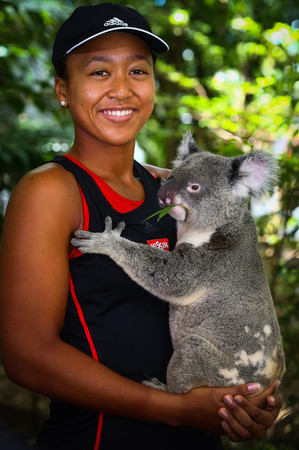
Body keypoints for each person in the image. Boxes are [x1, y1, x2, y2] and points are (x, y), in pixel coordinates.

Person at [0, 3, 282, 449]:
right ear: (62, 89)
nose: (121, 89)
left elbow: (236, 292)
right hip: (100, 438)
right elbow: (26, 358)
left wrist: (245, 399)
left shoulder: (174, 189)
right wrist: (173, 410)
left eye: (137, 71)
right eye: (98, 72)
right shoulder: (50, 191)